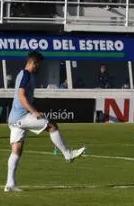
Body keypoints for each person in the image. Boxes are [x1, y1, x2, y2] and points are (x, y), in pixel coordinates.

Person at [5, 51, 86, 192]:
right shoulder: (25, 74)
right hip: (20, 117)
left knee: (16, 150)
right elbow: (21, 96)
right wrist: (34, 112)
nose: (39, 67)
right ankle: (68, 154)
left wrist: (35, 110)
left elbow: (26, 98)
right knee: (51, 125)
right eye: (38, 64)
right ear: (32, 62)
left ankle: (10, 184)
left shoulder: (25, 75)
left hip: (14, 118)